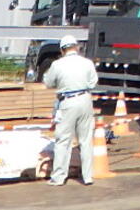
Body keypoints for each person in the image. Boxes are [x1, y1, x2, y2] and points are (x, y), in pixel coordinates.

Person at [42, 33, 98, 185]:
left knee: (63, 140)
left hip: (67, 101)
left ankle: (59, 177)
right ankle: (88, 177)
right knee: (86, 140)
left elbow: (48, 82)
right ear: (77, 47)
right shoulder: (87, 63)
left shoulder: (57, 65)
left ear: (62, 50)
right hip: (85, 99)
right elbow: (93, 82)